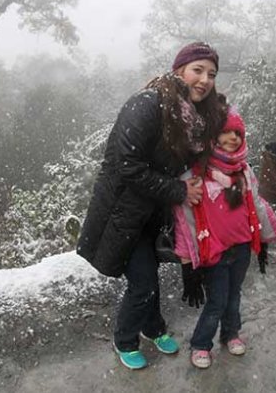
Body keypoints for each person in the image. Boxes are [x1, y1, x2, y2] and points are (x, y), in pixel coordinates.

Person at [77, 42, 224, 370]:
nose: (204, 79)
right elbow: (128, 166)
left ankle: (152, 327)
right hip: (122, 213)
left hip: (152, 214)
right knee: (143, 283)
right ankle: (124, 339)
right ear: (179, 70)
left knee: (149, 276)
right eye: (197, 70)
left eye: (211, 74)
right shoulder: (148, 104)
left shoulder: (193, 117)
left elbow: (191, 161)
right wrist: (179, 190)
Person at [173, 107, 276, 369]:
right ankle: (201, 344)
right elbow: (185, 221)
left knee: (234, 295)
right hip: (214, 250)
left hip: (242, 247)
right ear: (213, 136)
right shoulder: (197, 174)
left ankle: (230, 333)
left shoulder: (244, 170)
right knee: (217, 301)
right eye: (226, 132)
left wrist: (264, 238)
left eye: (238, 132)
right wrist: (186, 263)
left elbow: (256, 205)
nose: (234, 137)